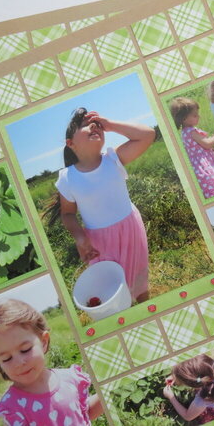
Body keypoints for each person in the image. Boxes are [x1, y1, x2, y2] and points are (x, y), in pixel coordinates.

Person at [44, 107, 155, 302]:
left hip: (131, 229)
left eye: (97, 124)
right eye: (86, 125)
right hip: (98, 241)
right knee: (110, 292)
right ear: (71, 143)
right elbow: (67, 214)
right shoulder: (67, 178)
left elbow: (147, 135)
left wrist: (110, 124)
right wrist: (79, 237)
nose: (94, 126)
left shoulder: (113, 159)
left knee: (140, 287)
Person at [0, 299, 103, 425]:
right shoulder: (13, 406)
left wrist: (108, 390)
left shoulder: (69, 378)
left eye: (25, 350)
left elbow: (84, 413)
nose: (19, 362)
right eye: (7, 358)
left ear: (44, 342)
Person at [170, 96, 214, 198]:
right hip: (204, 169)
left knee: (213, 191)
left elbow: (201, 148)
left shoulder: (185, 132)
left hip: (199, 168)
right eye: (195, 115)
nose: (199, 116)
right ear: (184, 118)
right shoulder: (191, 131)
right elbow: (207, 143)